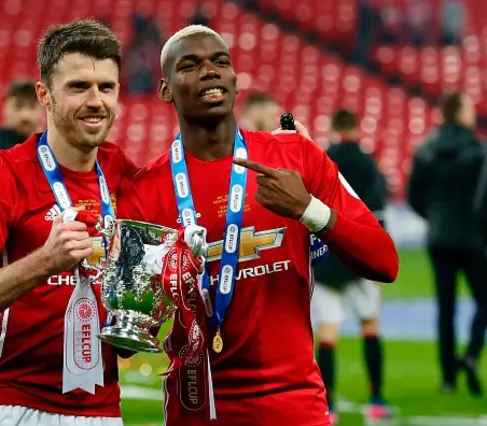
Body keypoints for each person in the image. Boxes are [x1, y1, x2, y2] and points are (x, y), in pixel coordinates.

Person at [117, 25, 399, 425]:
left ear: (235, 79)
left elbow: (385, 262)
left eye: (220, 62)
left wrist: (308, 209)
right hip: (198, 405)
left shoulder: (298, 156)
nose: (210, 71)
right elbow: (127, 337)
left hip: (294, 404)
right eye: (191, 65)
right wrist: (157, 286)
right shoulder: (144, 191)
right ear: (165, 89)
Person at [0, 20, 136, 426]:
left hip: (102, 409)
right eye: (79, 87)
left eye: (106, 87)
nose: (96, 100)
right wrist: (45, 261)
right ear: (44, 94)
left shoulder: (123, 173)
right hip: (12, 406)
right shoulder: (2, 175)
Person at [311, 109, 390, 424]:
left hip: (328, 258)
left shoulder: (322, 160)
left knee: (328, 333)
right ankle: (377, 399)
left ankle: (329, 407)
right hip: (359, 259)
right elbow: (378, 214)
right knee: (370, 325)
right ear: (357, 128)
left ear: (333, 128)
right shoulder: (368, 163)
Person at [409, 92, 487, 396]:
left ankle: (447, 377)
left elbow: (414, 195)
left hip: (439, 237)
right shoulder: (477, 149)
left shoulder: (427, 148)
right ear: (460, 112)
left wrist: (433, 218)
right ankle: (470, 355)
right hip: (471, 238)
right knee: (484, 300)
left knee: (445, 308)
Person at [0, 79, 44, 165]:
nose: (25, 115)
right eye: (18, 106)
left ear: (42, 110)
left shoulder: (47, 150)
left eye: (32, 107)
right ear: (5, 109)